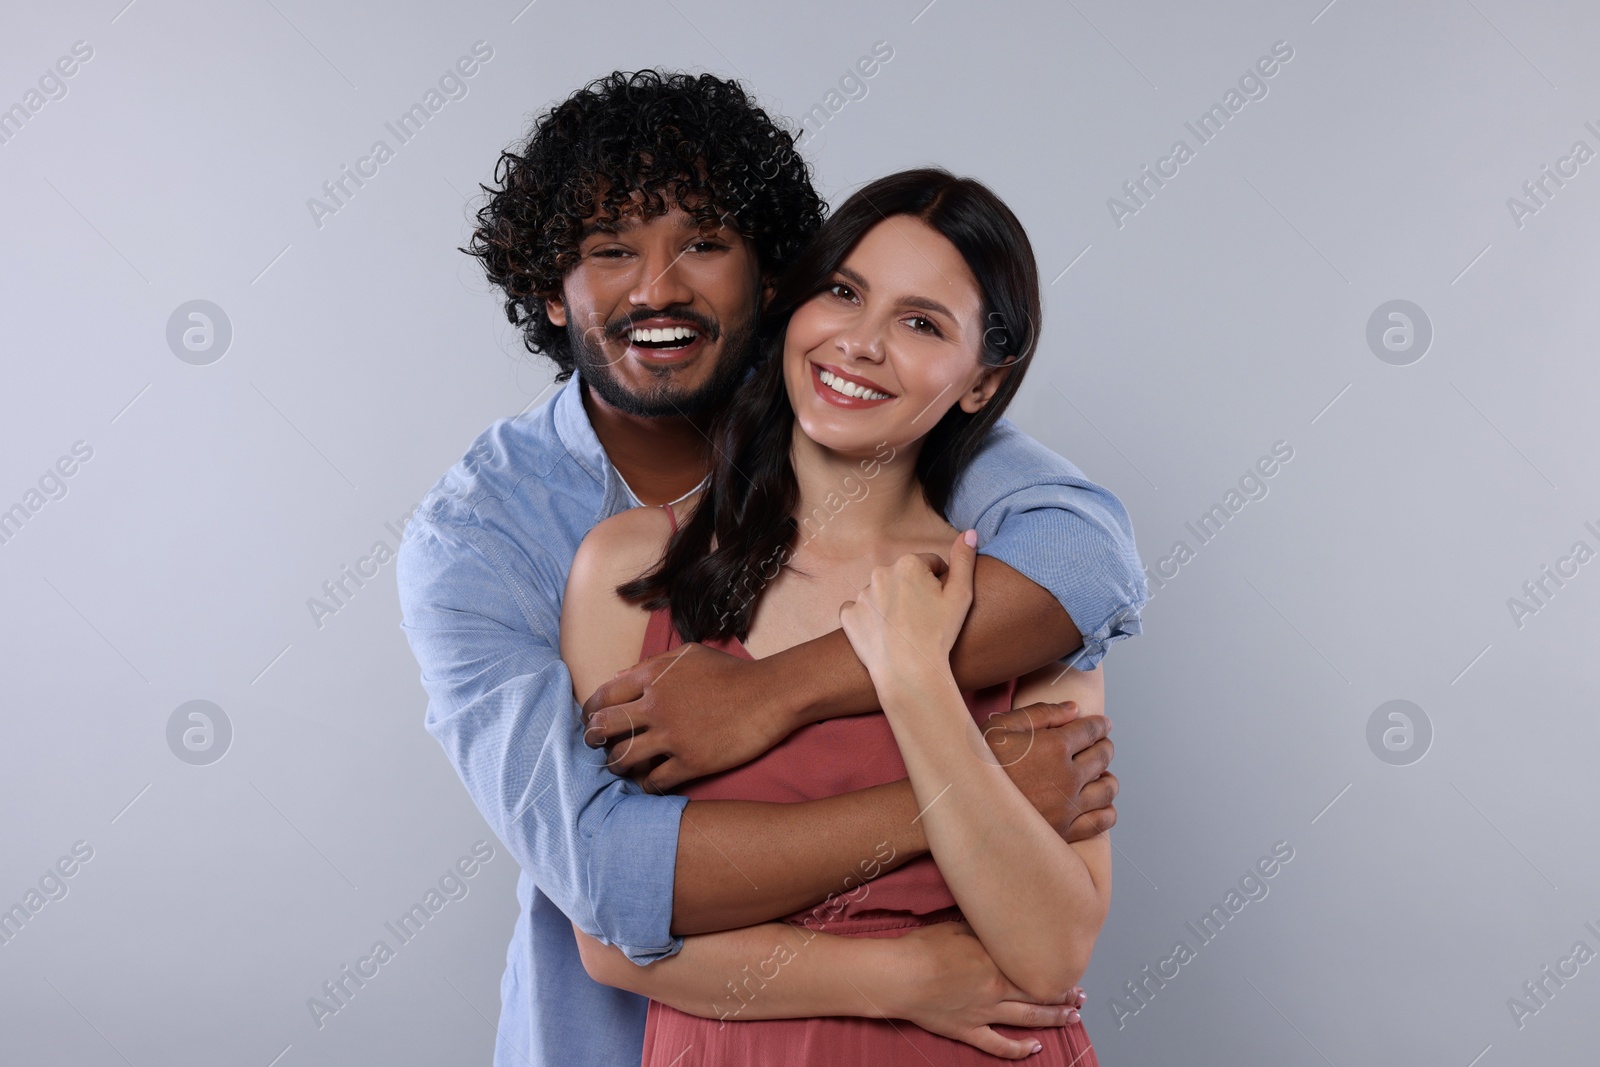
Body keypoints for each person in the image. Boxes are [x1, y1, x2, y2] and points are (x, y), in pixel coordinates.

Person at [396, 71, 1145, 1067]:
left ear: (770, 274)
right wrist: (928, 912)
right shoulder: (488, 535)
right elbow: (610, 876)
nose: (658, 287)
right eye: (610, 249)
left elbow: (1087, 563)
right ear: (549, 283)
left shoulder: (862, 404)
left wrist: (776, 692)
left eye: (703, 242)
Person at [562, 168, 1111, 1064]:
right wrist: (904, 971)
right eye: (844, 293)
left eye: (922, 322)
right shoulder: (630, 566)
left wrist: (912, 674)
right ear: (793, 307)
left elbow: (1051, 955)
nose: (860, 343)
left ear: (982, 380)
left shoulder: (1022, 597)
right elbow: (611, 933)